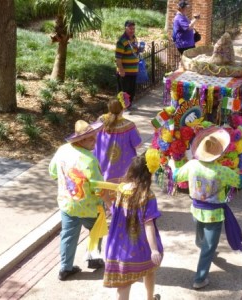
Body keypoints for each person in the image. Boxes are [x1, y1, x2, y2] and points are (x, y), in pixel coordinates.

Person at [172, 126, 242, 289]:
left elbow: (176, 176)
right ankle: (199, 279)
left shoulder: (192, 165)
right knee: (209, 246)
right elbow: (240, 180)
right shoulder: (222, 171)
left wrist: (172, 164)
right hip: (214, 214)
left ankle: (202, 249)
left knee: (201, 238)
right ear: (218, 154)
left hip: (196, 209)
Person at [49, 119, 110, 281]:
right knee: (96, 230)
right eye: (91, 138)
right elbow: (99, 187)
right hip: (89, 206)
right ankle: (93, 258)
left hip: (68, 204)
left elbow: (53, 172)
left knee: (68, 235)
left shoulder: (62, 150)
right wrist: (110, 204)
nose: (95, 141)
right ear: (81, 140)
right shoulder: (89, 160)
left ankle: (65, 268)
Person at [103, 150, 163, 300]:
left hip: (121, 246)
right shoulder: (148, 195)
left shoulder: (121, 189)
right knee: (149, 271)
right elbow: (148, 224)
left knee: (124, 284)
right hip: (142, 246)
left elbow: (115, 213)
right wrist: (154, 250)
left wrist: (106, 199)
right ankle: (150, 298)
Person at [93, 92, 142, 188]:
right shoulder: (129, 126)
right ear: (124, 108)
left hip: (102, 168)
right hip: (123, 171)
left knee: (104, 194)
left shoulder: (100, 120)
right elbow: (138, 144)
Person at [116, 20, 142, 109]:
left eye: (133, 28)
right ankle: (123, 108)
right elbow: (118, 58)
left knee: (131, 91)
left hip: (133, 70)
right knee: (124, 92)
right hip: (125, 72)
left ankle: (129, 105)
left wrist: (139, 49)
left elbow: (134, 50)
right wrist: (121, 69)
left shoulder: (133, 38)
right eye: (130, 28)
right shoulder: (122, 41)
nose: (132, 30)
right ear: (125, 28)